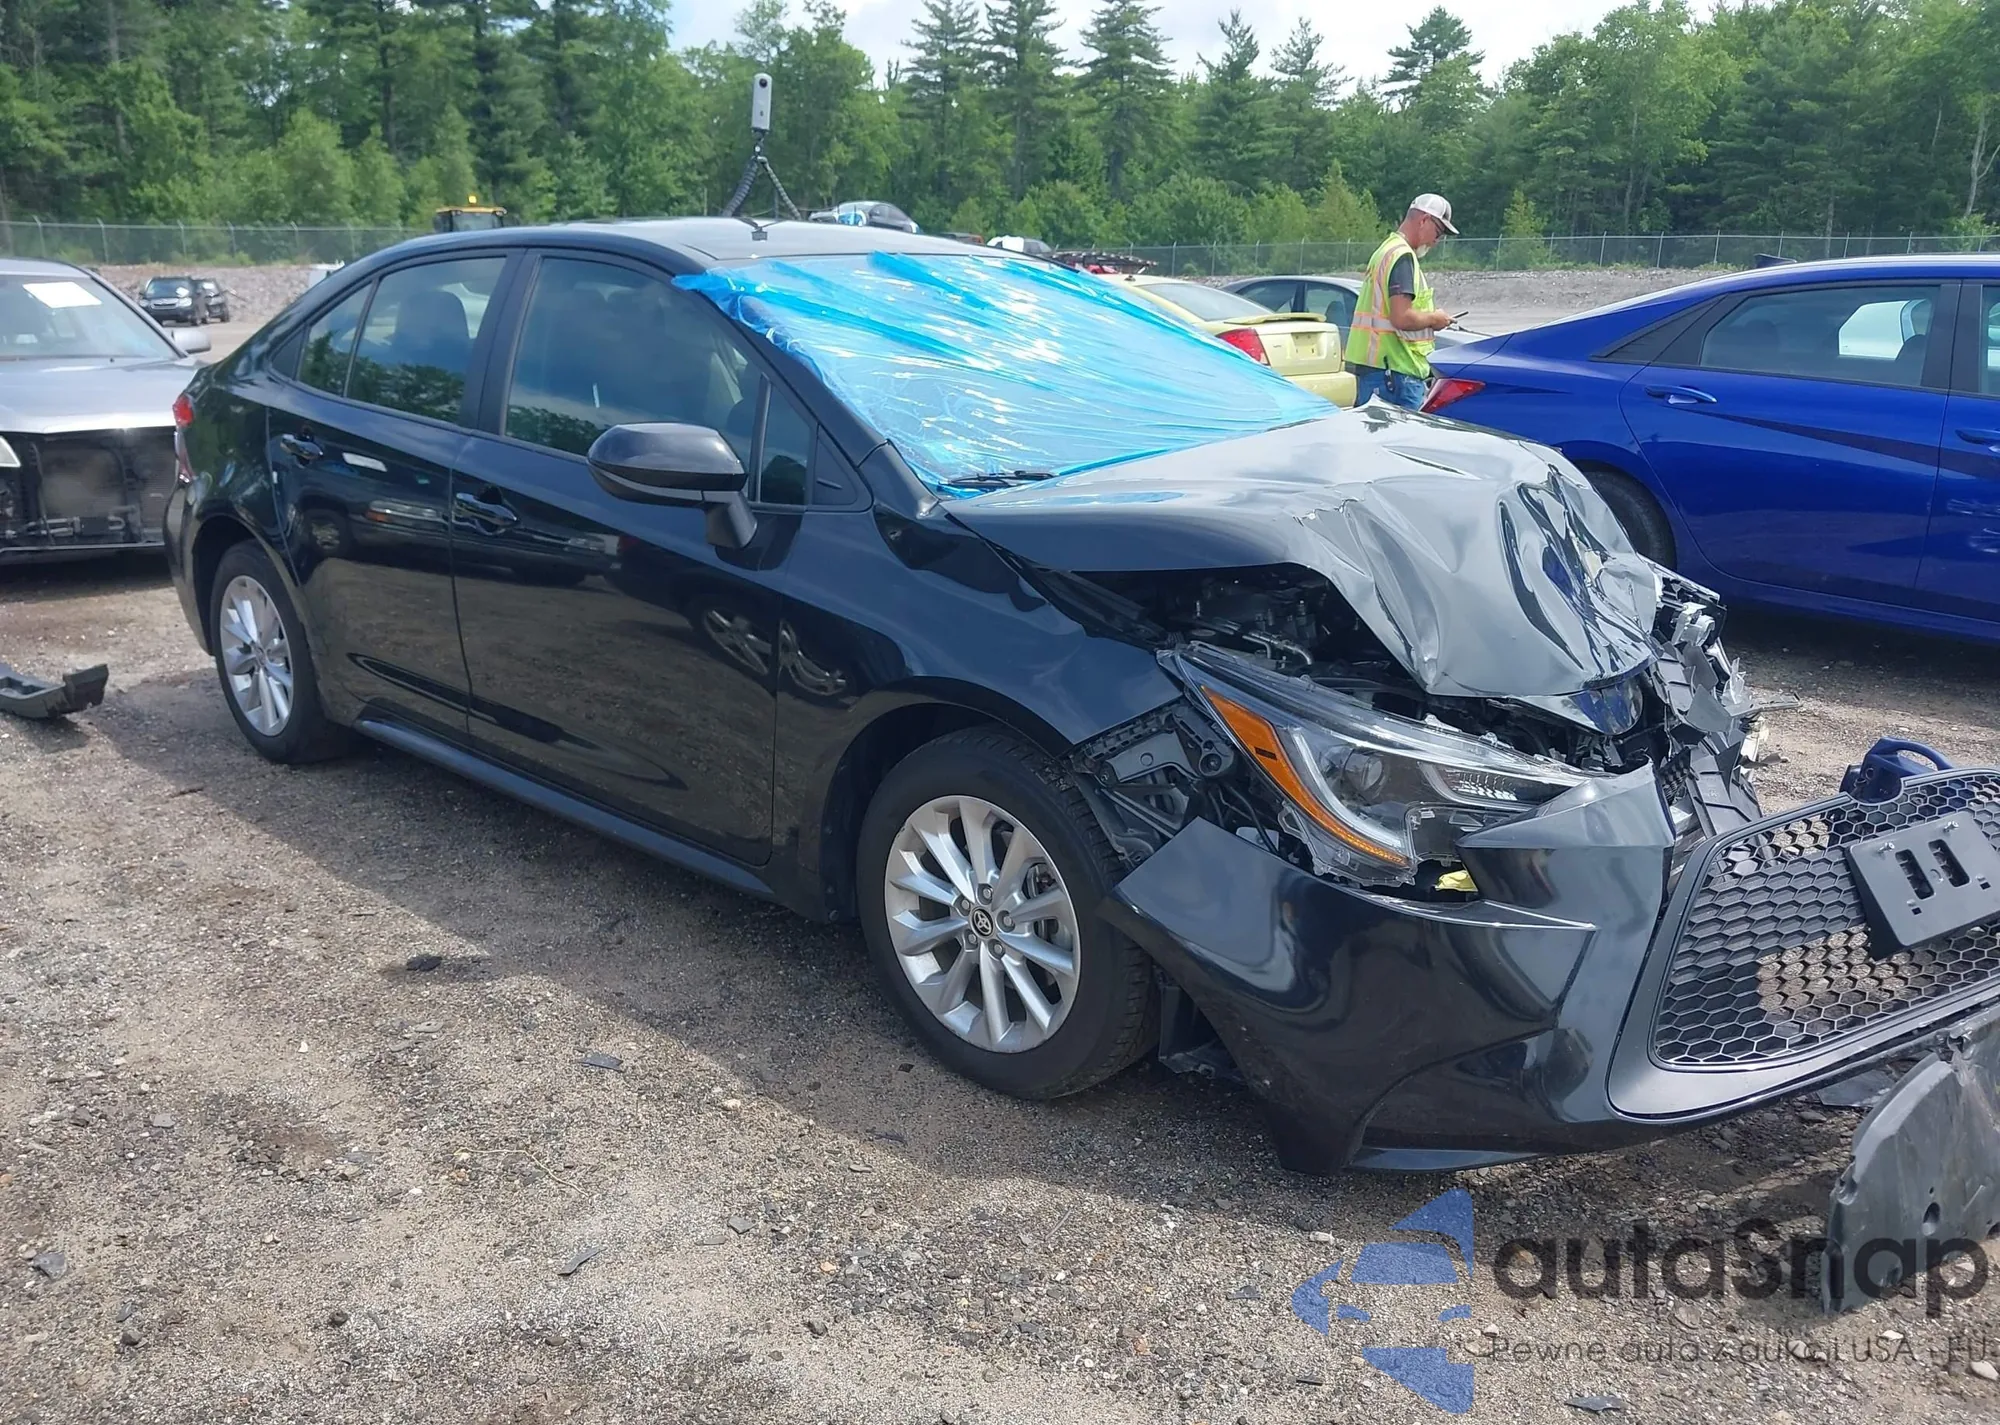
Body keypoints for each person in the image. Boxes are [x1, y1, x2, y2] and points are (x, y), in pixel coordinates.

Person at [1345, 194, 1458, 410]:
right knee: (1404, 433)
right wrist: (1434, 319)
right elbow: (1401, 317)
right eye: (1438, 232)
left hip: (1379, 370)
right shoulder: (1402, 256)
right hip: (1395, 373)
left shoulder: (1386, 250)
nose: (1437, 241)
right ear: (1424, 220)